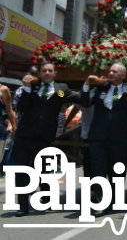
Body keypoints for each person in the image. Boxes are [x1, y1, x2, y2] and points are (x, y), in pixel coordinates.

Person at [82, 63, 127, 217]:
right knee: (98, 170)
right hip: (98, 138)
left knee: (117, 172)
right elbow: (85, 102)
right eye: (110, 70)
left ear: (122, 75)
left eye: (115, 71)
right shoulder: (100, 88)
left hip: (118, 139)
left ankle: (113, 198)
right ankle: (100, 201)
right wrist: (87, 84)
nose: (110, 73)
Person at [14, 61, 81, 217]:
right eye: (44, 70)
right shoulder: (31, 87)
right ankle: (23, 206)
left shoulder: (61, 90)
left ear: (55, 73)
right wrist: (26, 88)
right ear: (39, 73)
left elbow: (75, 97)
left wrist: (90, 90)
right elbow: (21, 107)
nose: (47, 73)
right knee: (22, 171)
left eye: (50, 70)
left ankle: (46, 197)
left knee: (44, 171)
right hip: (24, 136)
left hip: (44, 139)